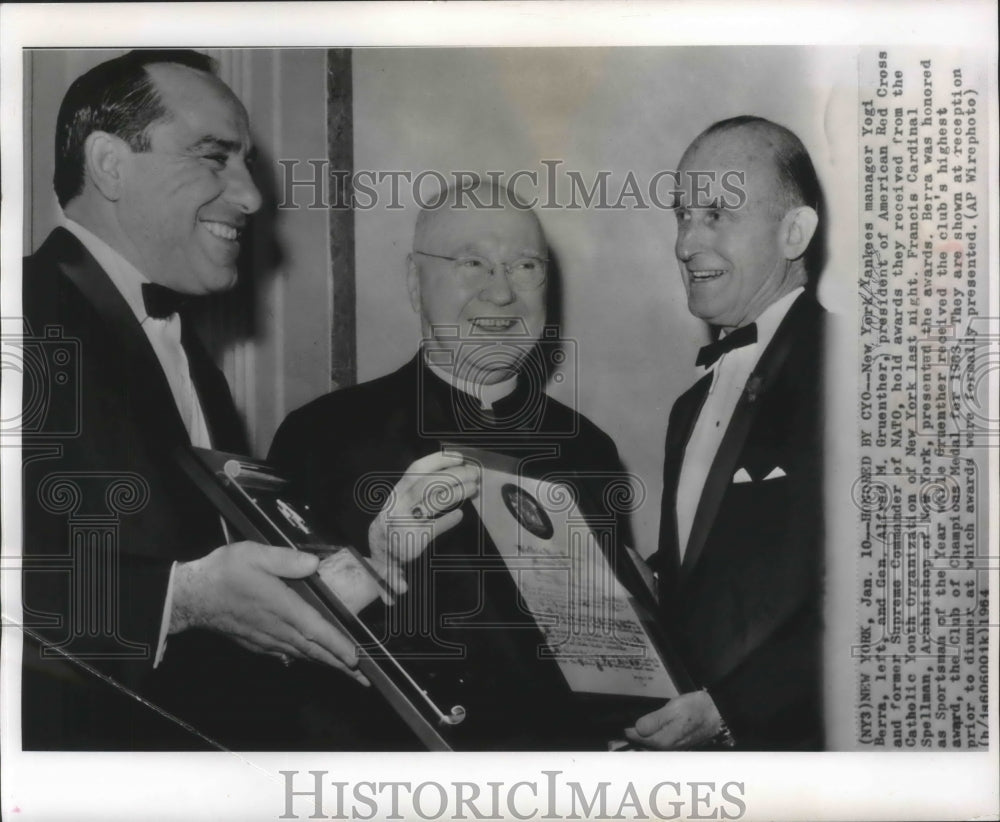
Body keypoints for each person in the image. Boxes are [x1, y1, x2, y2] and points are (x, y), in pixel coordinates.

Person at [20, 49, 471, 750]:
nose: (253, 196)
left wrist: (371, 559)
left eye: (246, 161)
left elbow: (220, 582)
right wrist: (181, 600)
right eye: (213, 156)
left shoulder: (182, 345)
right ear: (110, 164)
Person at [268, 182, 636, 750]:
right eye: (472, 263)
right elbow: (276, 643)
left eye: (525, 266)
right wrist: (374, 565)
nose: (501, 293)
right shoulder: (321, 436)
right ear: (415, 283)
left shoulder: (590, 451)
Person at [626, 116, 826, 751]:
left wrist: (729, 710)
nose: (686, 242)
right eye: (683, 215)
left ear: (793, 232)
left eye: (716, 214)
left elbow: (879, 599)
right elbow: (723, 564)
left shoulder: (862, 371)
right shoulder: (689, 406)